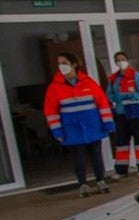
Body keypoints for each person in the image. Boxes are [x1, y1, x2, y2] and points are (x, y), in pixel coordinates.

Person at [44, 52, 115, 197]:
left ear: (74, 64)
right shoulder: (55, 87)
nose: (61, 66)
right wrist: (57, 131)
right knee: (78, 158)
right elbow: (51, 111)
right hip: (72, 130)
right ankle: (82, 184)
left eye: (64, 63)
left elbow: (103, 103)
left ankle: (101, 181)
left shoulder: (88, 82)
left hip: (93, 127)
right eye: (59, 63)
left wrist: (108, 123)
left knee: (96, 155)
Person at [106, 51, 139, 177]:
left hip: (136, 114)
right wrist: (116, 97)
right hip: (121, 114)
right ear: (115, 62)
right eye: (118, 60)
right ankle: (121, 170)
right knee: (121, 143)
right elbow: (109, 95)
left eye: (123, 59)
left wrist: (127, 94)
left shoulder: (136, 76)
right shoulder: (113, 78)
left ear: (127, 60)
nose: (121, 62)